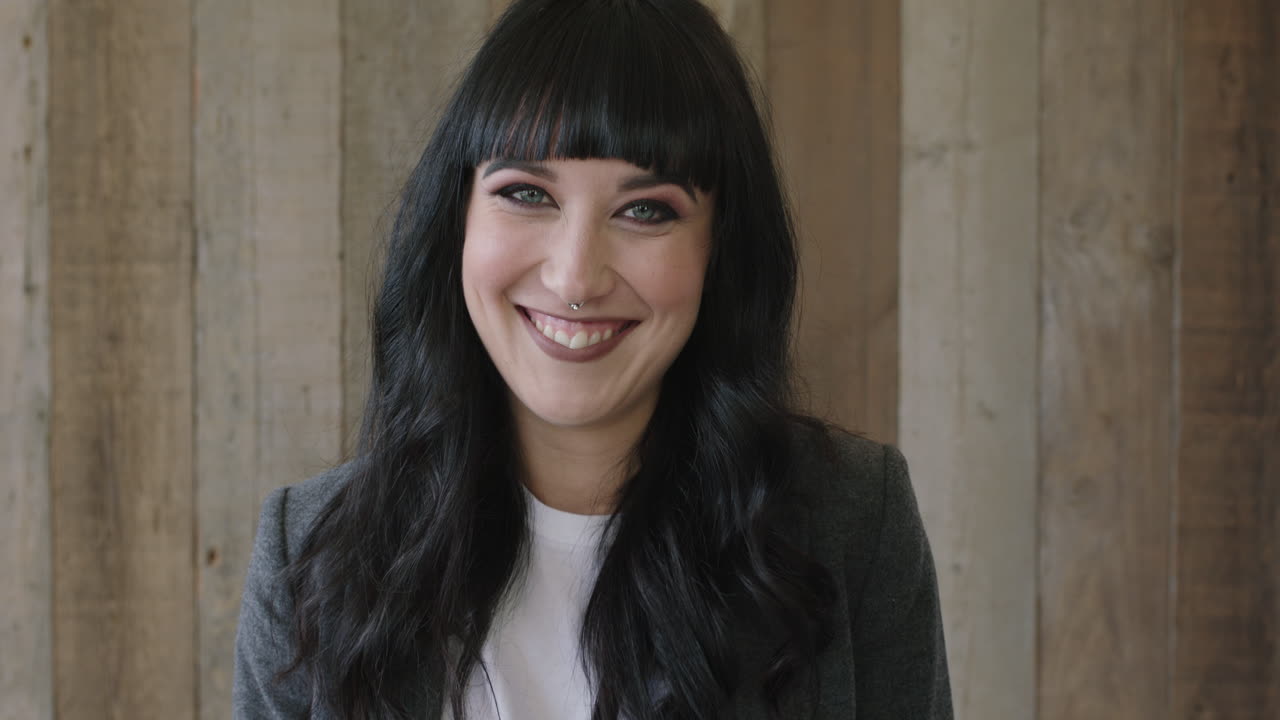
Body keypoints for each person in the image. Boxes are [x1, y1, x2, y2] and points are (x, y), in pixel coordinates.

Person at [232, 0, 952, 718]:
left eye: (646, 210)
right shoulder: (309, 561)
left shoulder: (854, 524)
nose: (576, 278)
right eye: (525, 193)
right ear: (455, 220)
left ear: (720, 248)